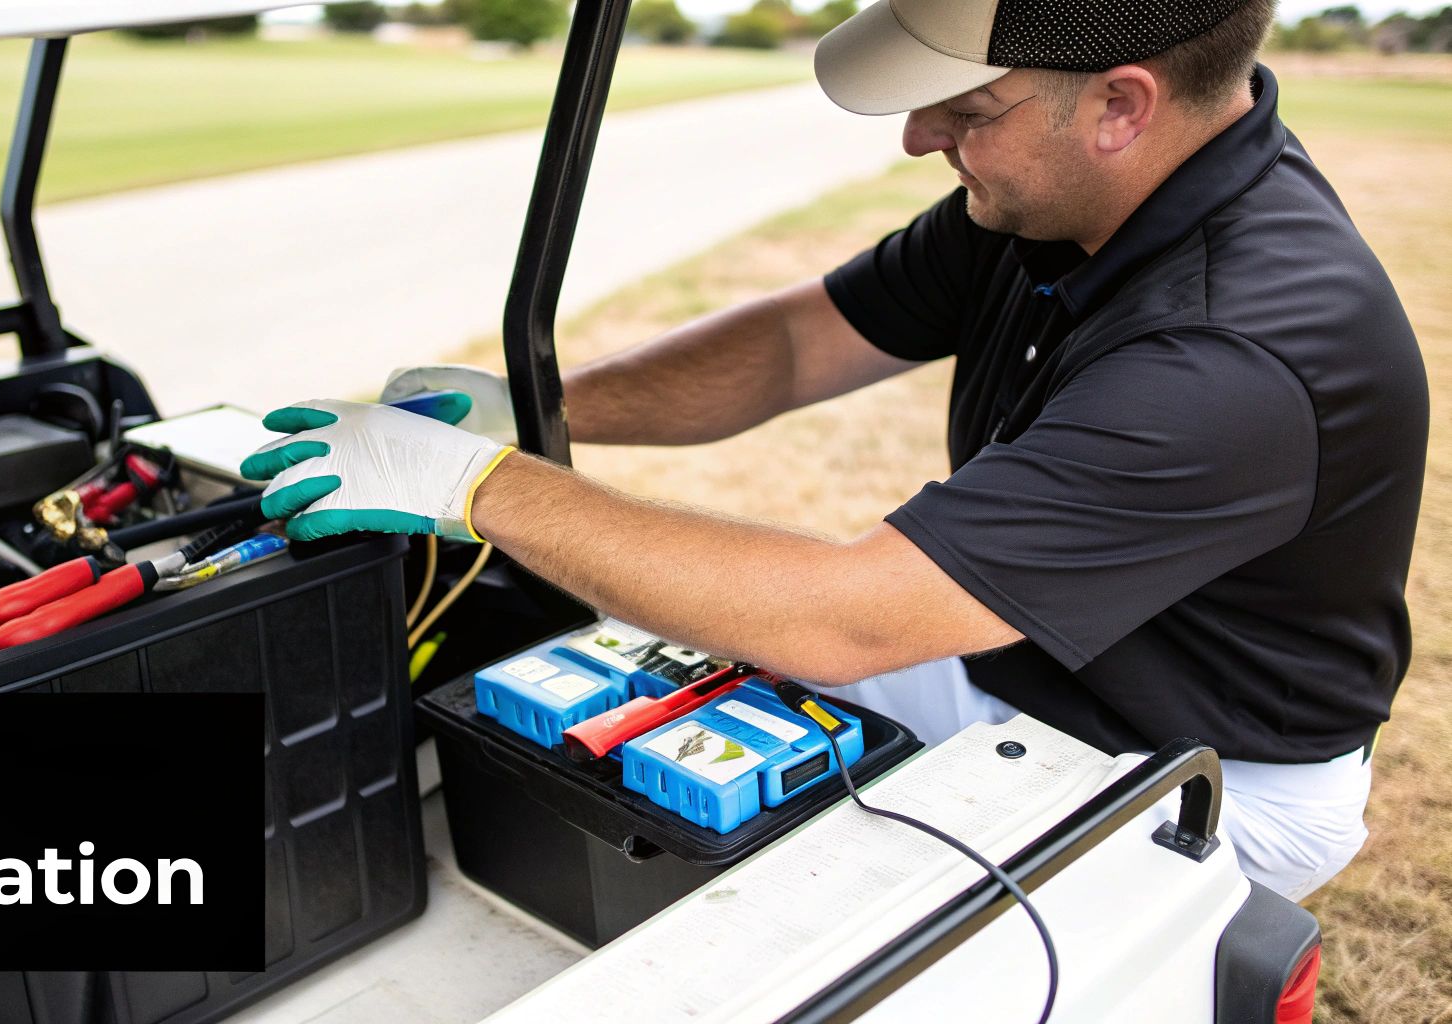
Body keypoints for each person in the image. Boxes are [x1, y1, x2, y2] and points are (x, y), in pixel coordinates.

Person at [240, 0, 1428, 901]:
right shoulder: (1058, 195)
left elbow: (846, 615)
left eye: (965, 111)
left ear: (1121, 106)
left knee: (815, 938)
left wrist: (474, 489)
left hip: (1192, 772)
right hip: (1022, 669)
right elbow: (799, 343)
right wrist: (528, 406)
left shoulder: (1232, 359)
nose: (918, 137)